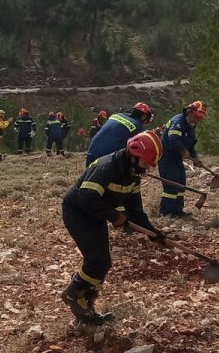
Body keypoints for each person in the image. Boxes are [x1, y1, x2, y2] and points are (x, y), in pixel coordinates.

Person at [61, 131, 165, 324]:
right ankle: (73, 294)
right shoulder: (107, 167)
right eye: (145, 163)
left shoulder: (132, 177)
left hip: (95, 215)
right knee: (96, 261)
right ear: (134, 155)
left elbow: (135, 210)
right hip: (78, 214)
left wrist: (153, 232)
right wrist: (115, 216)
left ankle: (86, 307)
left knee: (103, 263)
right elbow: (86, 198)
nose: (146, 169)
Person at [158, 100, 208, 217]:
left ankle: (177, 211)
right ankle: (165, 213)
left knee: (181, 183)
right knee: (172, 185)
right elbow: (174, 138)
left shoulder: (190, 126)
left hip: (176, 158)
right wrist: (183, 150)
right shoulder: (178, 121)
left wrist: (195, 158)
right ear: (190, 112)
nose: (198, 120)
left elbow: (190, 145)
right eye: (197, 117)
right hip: (166, 156)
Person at [86, 102, 154, 164]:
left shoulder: (117, 115)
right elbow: (137, 152)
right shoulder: (137, 126)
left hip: (91, 152)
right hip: (105, 161)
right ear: (144, 116)